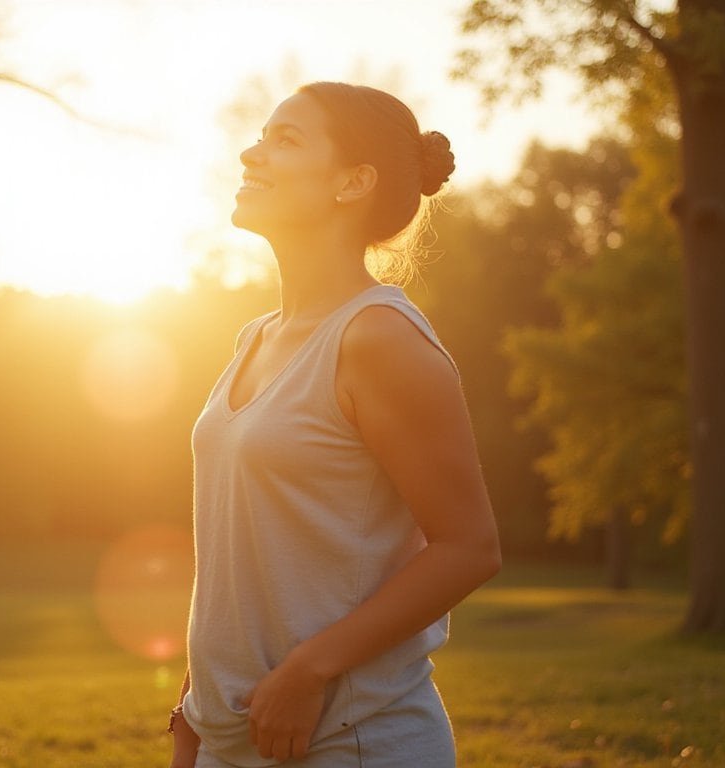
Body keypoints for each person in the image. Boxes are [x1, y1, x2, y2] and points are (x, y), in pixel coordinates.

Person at [168, 82, 502, 768]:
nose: (251, 152)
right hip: (229, 737)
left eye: (285, 139)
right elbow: (244, 554)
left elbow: (469, 547)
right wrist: (193, 710)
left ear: (353, 182)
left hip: (349, 742)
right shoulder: (254, 338)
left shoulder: (379, 340)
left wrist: (310, 670)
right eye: (262, 135)